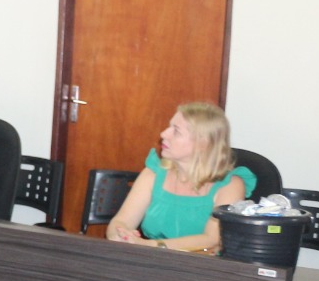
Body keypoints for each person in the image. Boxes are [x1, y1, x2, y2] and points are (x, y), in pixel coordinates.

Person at [106, 102, 255, 251]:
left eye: (176, 131)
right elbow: (121, 221)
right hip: (151, 258)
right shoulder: (153, 174)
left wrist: (149, 245)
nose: (163, 134)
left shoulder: (230, 185)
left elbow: (212, 239)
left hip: (200, 263)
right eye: (169, 127)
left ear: (203, 143)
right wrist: (121, 235)